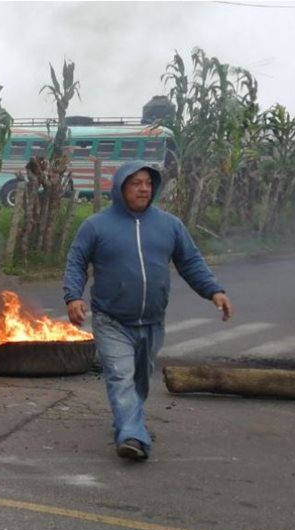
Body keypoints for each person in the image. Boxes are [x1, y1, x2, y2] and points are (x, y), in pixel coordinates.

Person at [63, 160, 232, 461]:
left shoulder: (169, 225)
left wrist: (214, 290)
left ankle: (129, 422)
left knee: (140, 381)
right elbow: (76, 261)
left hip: (152, 321)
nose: (144, 188)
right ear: (120, 187)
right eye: (135, 183)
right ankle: (132, 436)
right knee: (120, 376)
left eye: (148, 183)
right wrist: (73, 296)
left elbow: (190, 262)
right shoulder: (96, 226)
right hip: (111, 319)